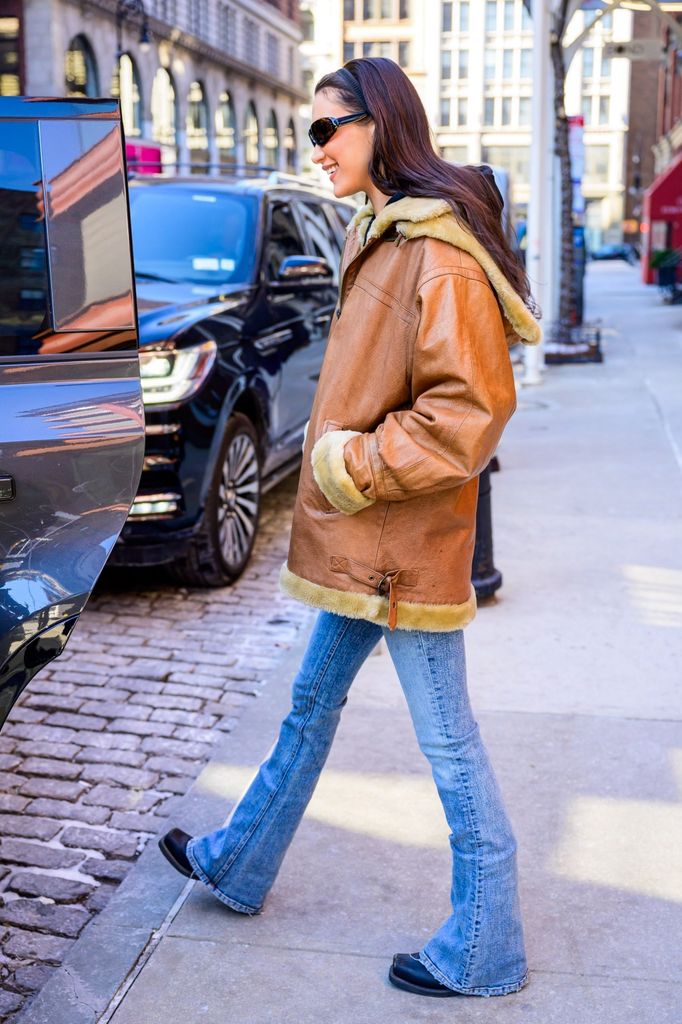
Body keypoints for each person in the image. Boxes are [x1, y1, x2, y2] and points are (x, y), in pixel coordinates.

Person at [160, 57, 541, 999]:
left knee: (448, 742)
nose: (315, 147)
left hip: (399, 546)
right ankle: (239, 861)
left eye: (329, 128)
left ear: (383, 125)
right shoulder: (385, 231)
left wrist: (349, 465)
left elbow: (468, 410)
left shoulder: (437, 252)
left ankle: (488, 945)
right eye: (310, 131)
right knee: (308, 705)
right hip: (372, 542)